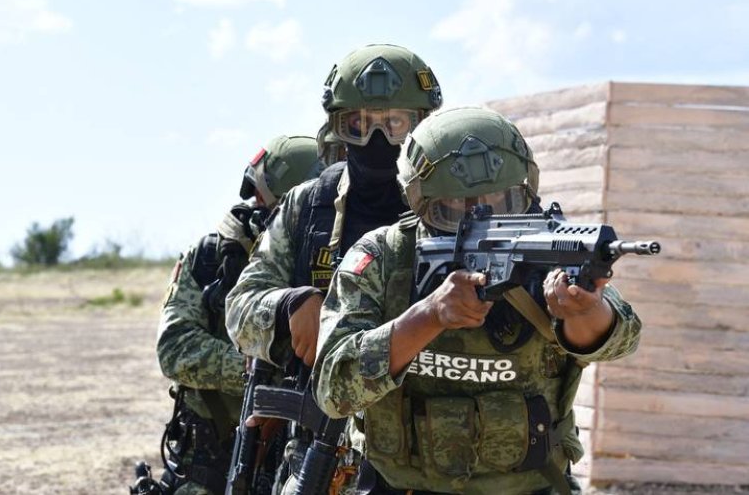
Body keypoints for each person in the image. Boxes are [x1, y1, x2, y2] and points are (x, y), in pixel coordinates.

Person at [313, 106, 643, 495]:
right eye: (457, 208)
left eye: (500, 201)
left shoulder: (550, 246)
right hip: (399, 484)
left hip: (530, 486)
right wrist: (429, 316)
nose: (482, 216)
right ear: (422, 203)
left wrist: (585, 313)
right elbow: (333, 390)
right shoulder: (384, 258)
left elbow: (622, 338)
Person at [225, 43, 443, 494]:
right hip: (324, 457)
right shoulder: (309, 206)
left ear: (423, 126)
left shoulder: (451, 208)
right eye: (360, 125)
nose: (379, 140)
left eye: (396, 124)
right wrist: (289, 306)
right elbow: (239, 309)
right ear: (338, 128)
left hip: (428, 456)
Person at [154, 135, 325, 495]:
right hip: (210, 462)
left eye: (264, 200)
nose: (253, 208)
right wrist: (260, 373)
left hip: (302, 463)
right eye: (256, 199)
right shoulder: (209, 259)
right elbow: (174, 347)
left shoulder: (329, 268)